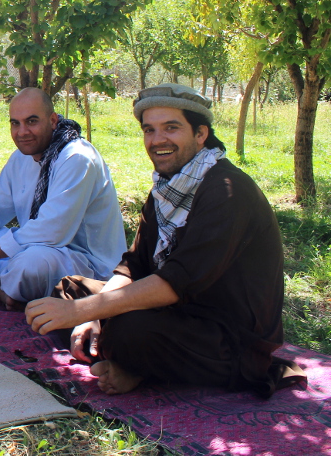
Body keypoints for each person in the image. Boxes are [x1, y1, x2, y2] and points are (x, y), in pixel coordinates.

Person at [25, 84, 304, 396]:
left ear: (200, 134)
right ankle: (123, 359)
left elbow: (175, 283)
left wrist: (85, 313)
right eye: (149, 130)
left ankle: (130, 364)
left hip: (225, 337)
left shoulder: (227, 191)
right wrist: (93, 313)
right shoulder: (169, 187)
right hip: (174, 313)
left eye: (171, 128)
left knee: (128, 329)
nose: (158, 140)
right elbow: (134, 266)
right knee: (70, 289)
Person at [0, 87, 126, 310]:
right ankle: (2, 291)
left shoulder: (76, 158)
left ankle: (1, 281)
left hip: (83, 262)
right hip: (34, 247)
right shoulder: (21, 158)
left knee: (30, 264)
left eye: (32, 121)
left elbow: (51, 232)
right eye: (15, 123)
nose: (22, 132)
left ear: (53, 121)